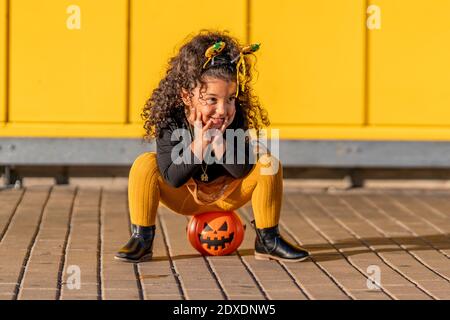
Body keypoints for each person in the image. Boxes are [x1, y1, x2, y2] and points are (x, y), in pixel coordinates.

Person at [115, 30, 309, 263]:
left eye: (230, 98)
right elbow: (172, 178)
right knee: (144, 164)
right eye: (212, 100)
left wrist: (218, 140)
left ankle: (268, 240)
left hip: (228, 195)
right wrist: (199, 143)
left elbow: (241, 170)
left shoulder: (234, 117)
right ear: (187, 96)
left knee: (268, 163)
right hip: (185, 196)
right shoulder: (171, 121)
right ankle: (142, 239)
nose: (222, 109)